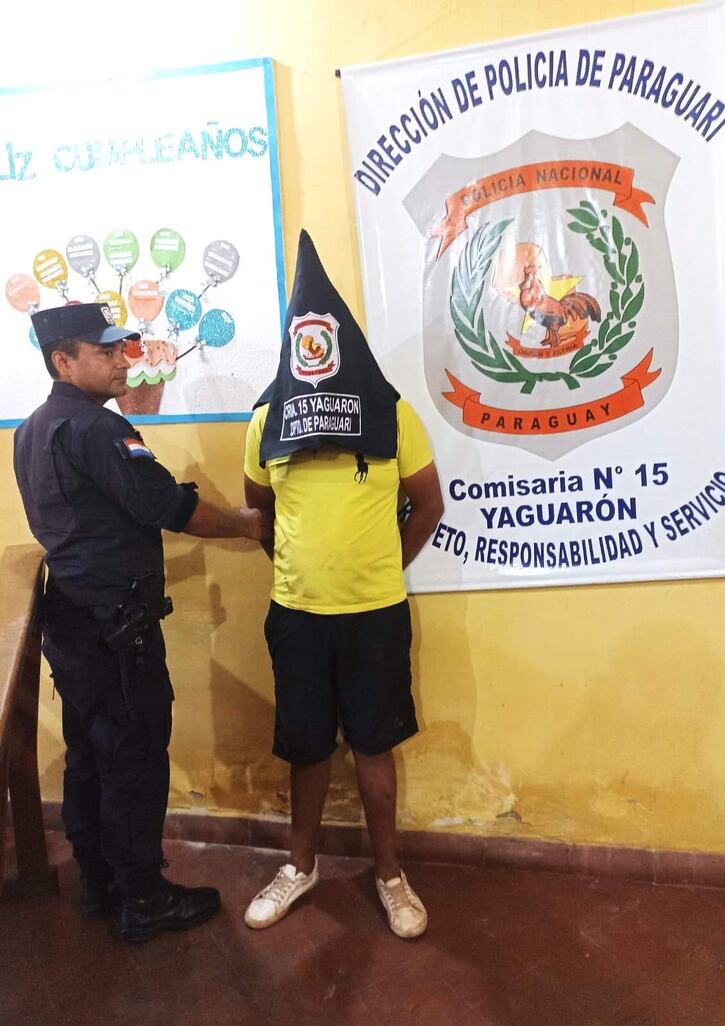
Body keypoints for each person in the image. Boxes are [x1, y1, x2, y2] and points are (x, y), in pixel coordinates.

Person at [13, 302, 273, 944]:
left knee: (90, 755)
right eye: (105, 352)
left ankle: (98, 884)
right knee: (133, 758)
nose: (122, 361)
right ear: (63, 361)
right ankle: (144, 901)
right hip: (114, 628)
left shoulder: (33, 429)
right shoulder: (96, 429)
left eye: (121, 349)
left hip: (73, 621)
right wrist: (245, 524)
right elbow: (165, 505)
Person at [242, 231, 443, 939]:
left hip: (375, 615)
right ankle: (300, 867)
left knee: (374, 746)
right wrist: (296, 567)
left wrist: (382, 566)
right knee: (305, 748)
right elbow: (259, 510)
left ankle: (390, 875)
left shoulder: (392, 414)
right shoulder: (267, 420)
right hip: (297, 615)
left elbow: (429, 504)